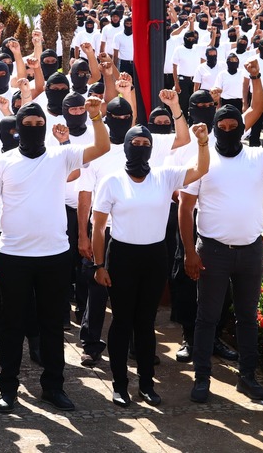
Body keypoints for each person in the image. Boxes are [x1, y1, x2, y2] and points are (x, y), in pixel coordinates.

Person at [0, 97, 109, 413]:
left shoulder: (61, 156)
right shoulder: (2, 162)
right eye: (28, 124)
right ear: (18, 129)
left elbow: (101, 147)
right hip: (12, 255)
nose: (34, 128)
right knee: (12, 324)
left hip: (54, 256)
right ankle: (8, 388)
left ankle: (53, 387)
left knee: (52, 325)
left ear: (46, 128)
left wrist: (95, 116)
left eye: (39, 124)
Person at [180, 107, 263, 404]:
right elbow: (185, 209)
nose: (228, 130)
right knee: (207, 318)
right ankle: (201, 378)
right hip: (213, 251)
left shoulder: (257, 157)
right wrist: (188, 253)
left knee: (247, 317)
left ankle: (247, 378)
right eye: (222, 126)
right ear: (214, 128)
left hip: (250, 250)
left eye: (234, 125)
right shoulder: (202, 160)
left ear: (242, 129)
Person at [91, 123, 209, 407]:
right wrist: (98, 265)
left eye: (146, 144)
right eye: (136, 143)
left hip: (155, 257)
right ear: (127, 146)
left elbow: (199, 170)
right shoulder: (112, 181)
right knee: (121, 321)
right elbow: (98, 227)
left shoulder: (164, 177)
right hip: (121, 257)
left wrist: (203, 143)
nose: (141, 147)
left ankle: (146, 383)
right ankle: (120, 384)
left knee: (145, 322)